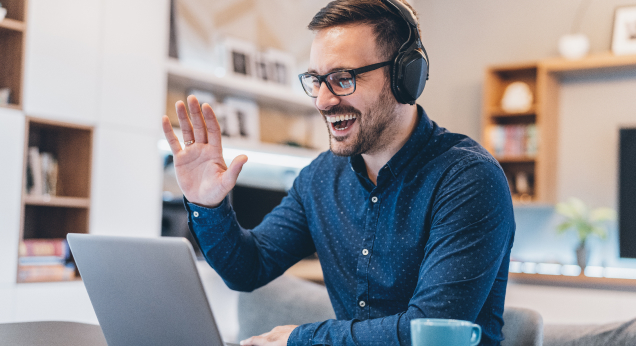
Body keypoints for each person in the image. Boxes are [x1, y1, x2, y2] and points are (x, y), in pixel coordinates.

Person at [161, 0, 515, 345]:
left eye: (343, 79)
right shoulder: (319, 179)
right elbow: (248, 268)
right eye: (316, 80)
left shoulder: (468, 179)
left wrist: (301, 339)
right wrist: (207, 205)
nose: (323, 101)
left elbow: (428, 331)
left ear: (405, 77)